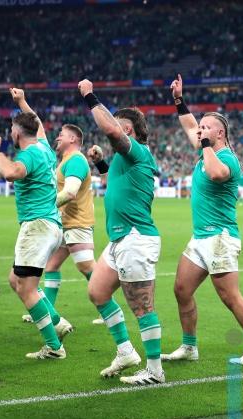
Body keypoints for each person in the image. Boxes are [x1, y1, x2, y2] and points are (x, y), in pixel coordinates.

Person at [161, 75, 243, 365]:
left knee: (229, 296)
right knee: (181, 290)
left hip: (220, 237)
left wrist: (206, 145)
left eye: (206, 127)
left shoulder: (227, 158)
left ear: (219, 133)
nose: (200, 130)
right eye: (201, 127)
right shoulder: (206, 150)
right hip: (201, 237)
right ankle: (189, 347)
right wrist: (178, 100)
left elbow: (216, 174)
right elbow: (189, 125)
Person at [78, 79, 165, 385]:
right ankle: (126, 352)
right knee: (97, 292)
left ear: (127, 129)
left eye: (117, 123)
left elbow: (111, 130)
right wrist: (101, 164)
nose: (113, 127)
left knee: (142, 305)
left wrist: (90, 96)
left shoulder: (138, 150)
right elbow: (117, 183)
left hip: (136, 237)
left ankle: (155, 371)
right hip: (120, 238)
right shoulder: (126, 158)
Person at [0, 107, 72, 360]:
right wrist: (23, 102)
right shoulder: (44, 148)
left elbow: (10, 173)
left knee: (26, 288)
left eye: (11, 131)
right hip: (49, 225)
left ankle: (54, 346)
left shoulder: (30, 154)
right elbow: (40, 126)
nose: (10, 134)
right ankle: (57, 322)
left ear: (17, 133)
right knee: (15, 279)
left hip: (37, 227)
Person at [9, 89, 97, 326]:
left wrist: (46, 205)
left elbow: (70, 192)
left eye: (61, 134)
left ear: (72, 139)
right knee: (51, 266)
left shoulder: (75, 160)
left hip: (75, 223)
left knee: (88, 268)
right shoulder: (60, 158)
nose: (56, 137)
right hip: (61, 222)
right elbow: (37, 126)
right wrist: (22, 101)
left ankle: (105, 304)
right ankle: (51, 316)